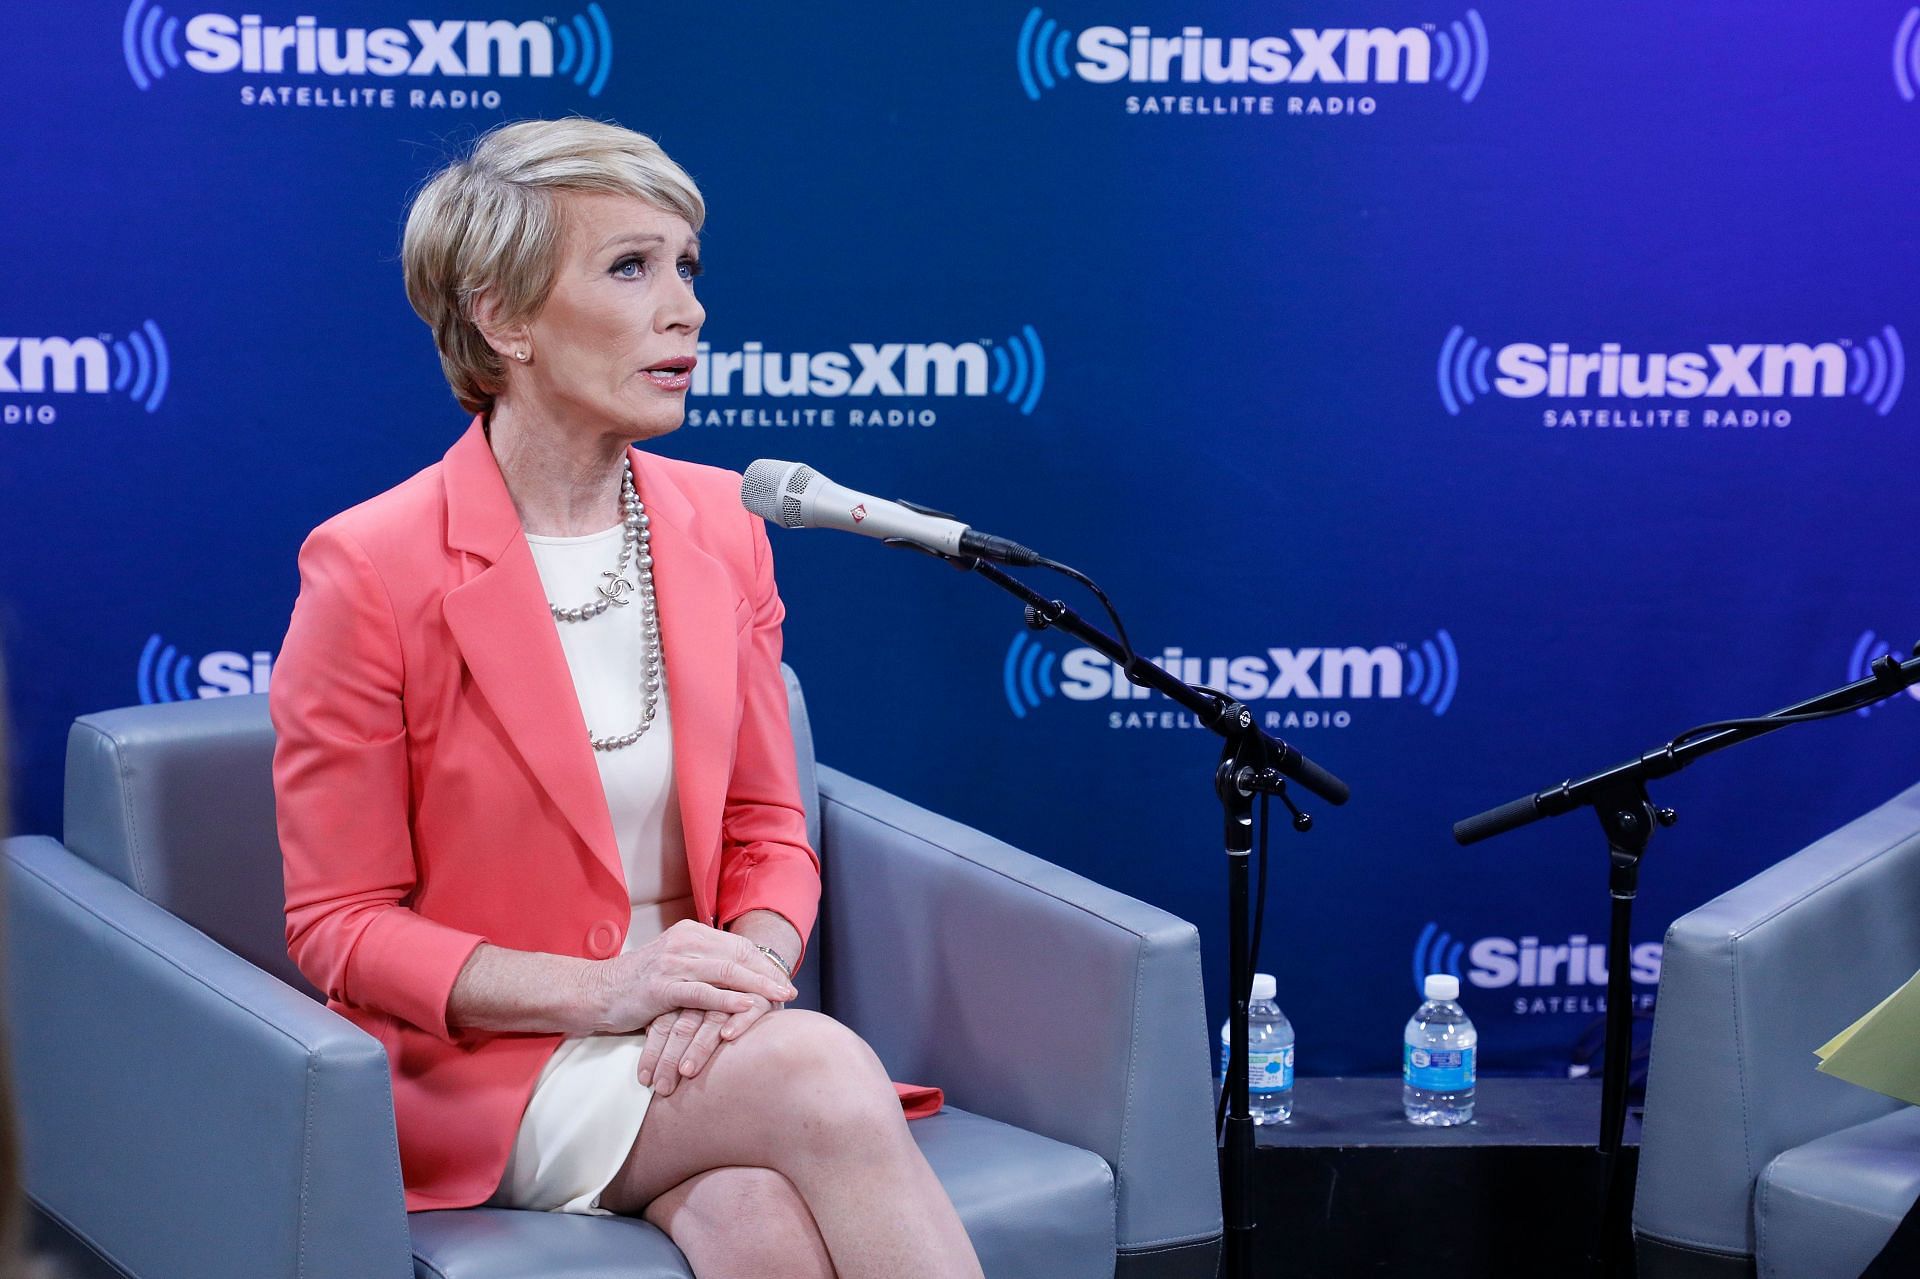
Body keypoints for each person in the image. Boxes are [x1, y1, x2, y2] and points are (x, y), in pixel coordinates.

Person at [270, 117, 984, 1279]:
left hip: (701, 1044)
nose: (689, 310)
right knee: (813, 1071)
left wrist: (741, 975)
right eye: (630, 267)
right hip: (495, 1068)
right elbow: (339, 924)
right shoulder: (371, 564)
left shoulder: (723, 526)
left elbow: (767, 831)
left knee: (755, 1218)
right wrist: (612, 990)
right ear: (503, 318)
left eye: (688, 268)